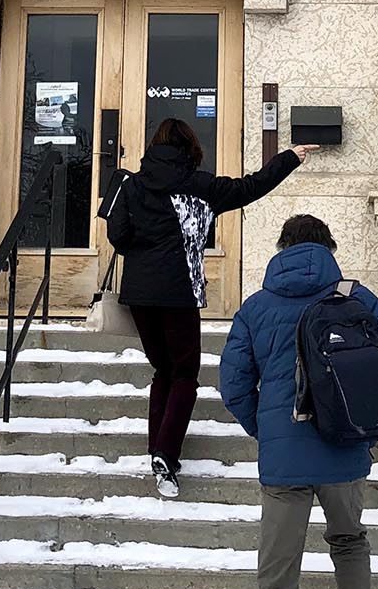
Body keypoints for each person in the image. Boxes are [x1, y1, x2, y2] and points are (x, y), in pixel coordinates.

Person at [218, 213, 378, 589]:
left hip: (284, 467)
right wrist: (367, 430)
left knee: (277, 581)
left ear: (280, 249)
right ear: (329, 248)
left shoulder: (256, 307)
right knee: (349, 543)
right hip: (345, 453)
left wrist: (270, 432)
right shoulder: (357, 298)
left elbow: (232, 384)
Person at [103, 118, 310, 497]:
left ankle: (158, 448)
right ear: (190, 148)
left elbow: (118, 236)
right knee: (184, 373)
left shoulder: (131, 184)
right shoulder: (199, 186)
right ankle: (165, 453)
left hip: (140, 295)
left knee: (162, 369)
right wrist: (288, 159)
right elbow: (250, 187)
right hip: (179, 292)